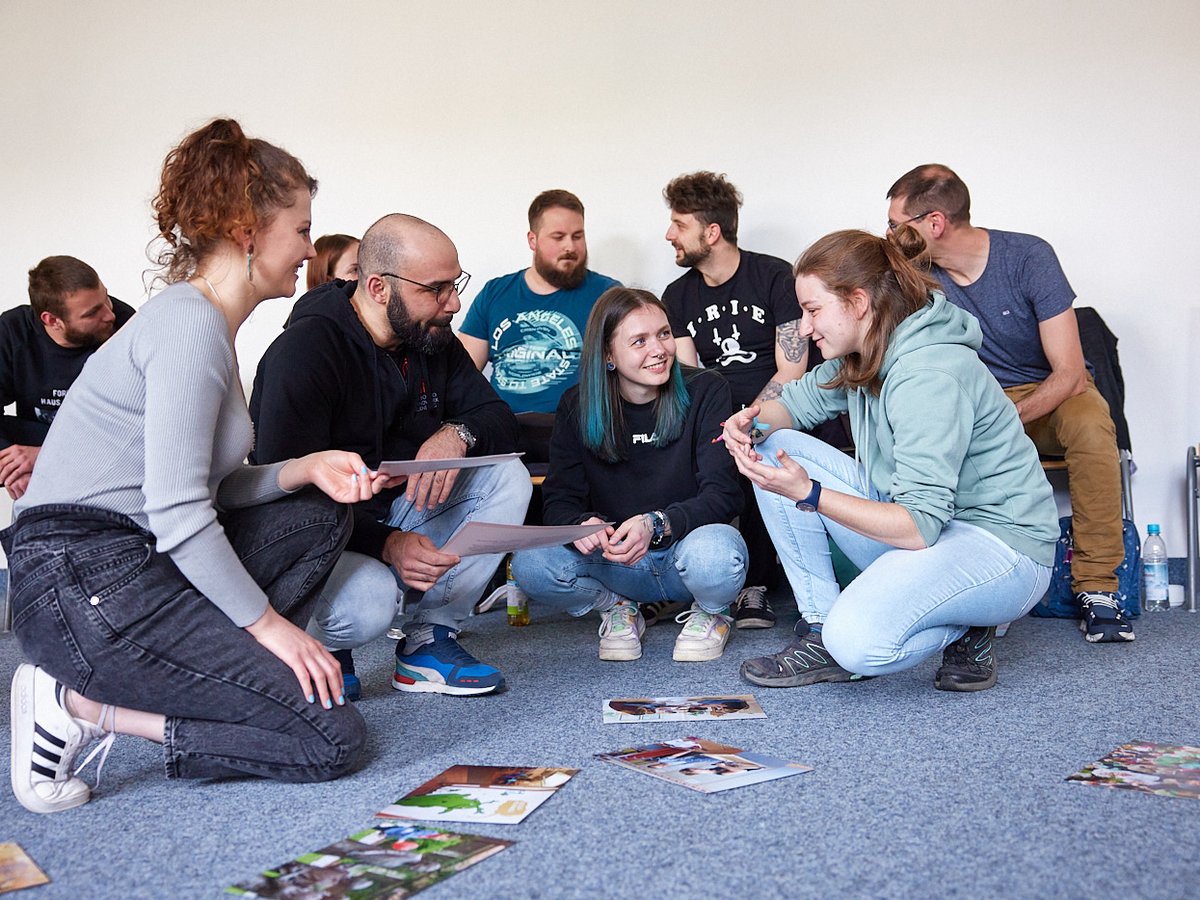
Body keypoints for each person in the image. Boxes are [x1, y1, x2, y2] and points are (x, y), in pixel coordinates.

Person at [4, 118, 385, 815]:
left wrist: (301, 468)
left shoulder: (209, 328)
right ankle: (83, 706)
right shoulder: (187, 324)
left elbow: (200, 491)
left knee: (319, 510)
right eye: (300, 230)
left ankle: (235, 681)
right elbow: (180, 512)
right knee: (328, 739)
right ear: (248, 231)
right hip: (81, 578)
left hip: (125, 560)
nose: (309, 248)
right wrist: (269, 625)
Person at [723, 228, 1058, 693]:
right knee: (775, 448)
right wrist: (752, 425)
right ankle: (819, 628)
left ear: (859, 303)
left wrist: (810, 493)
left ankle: (967, 618)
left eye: (813, 310)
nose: (803, 327)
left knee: (857, 643)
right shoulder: (867, 350)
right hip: (931, 529)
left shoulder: (928, 374)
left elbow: (918, 526)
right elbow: (796, 404)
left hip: (1002, 547)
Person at [250, 214, 530, 698]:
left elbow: (496, 416)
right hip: (320, 537)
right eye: (437, 289)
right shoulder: (305, 351)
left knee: (508, 476)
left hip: (396, 516)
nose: (454, 303)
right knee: (368, 605)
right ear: (379, 288)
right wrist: (386, 543)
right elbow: (285, 506)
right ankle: (320, 641)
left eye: (455, 284)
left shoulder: (431, 337)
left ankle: (429, 639)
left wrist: (456, 434)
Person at [885, 164, 1132, 643]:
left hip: (1048, 397)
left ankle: (1098, 587)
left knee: (1091, 423)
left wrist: (1000, 420)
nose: (888, 235)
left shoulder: (1028, 257)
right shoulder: (914, 274)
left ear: (933, 224)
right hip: (974, 398)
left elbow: (1070, 374)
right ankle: (965, 584)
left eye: (896, 225)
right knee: (926, 432)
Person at [512, 287, 746, 663]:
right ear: (608, 354)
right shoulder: (576, 405)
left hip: (685, 558)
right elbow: (559, 500)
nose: (659, 349)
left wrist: (656, 524)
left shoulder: (707, 388)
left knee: (719, 552)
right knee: (530, 565)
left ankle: (713, 611)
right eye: (640, 341)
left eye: (664, 334)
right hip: (617, 563)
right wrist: (582, 526)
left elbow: (724, 495)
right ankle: (618, 607)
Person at [661, 171, 811, 631]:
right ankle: (687, 579)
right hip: (713, 410)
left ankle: (755, 585)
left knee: (761, 450)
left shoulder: (773, 277)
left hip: (777, 405)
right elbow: (689, 378)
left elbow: (793, 369)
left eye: (679, 224)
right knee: (682, 449)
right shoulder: (678, 295)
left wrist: (749, 421)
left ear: (712, 232)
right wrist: (719, 424)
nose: (670, 235)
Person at [458, 190, 620, 465]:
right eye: (558, 237)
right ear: (532, 240)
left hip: (581, 431)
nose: (570, 246)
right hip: (506, 431)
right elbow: (460, 374)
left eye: (577, 236)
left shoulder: (608, 294)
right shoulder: (496, 293)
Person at [0, 256, 135, 499]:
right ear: (52, 321)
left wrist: (43, 457)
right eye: (92, 312)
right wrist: (16, 466)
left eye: (106, 299)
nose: (109, 315)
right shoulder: (12, 331)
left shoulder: (126, 326)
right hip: (41, 434)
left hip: (103, 446)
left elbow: (136, 429)